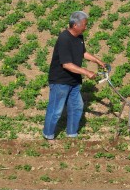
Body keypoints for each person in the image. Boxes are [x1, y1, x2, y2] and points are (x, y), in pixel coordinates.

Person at [43, 11, 105, 141]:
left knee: (76, 107)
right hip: (60, 81)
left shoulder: (79, 36)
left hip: (74, 81)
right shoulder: (64, 38)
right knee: (56, 111)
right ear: (75, 25)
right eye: (84, 24)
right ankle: (48, 135)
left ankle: (71, 134)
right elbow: (66, 64)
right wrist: (87, 72)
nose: (86, 27)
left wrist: (97, 60)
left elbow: (83, 53)